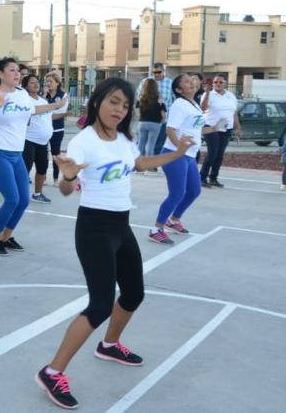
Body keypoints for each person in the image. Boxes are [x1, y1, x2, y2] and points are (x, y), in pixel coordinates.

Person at [36, 78, 194, 409]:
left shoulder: (123, 138)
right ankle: (52, 371)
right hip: (94, 228)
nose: (119, 110)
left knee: (134, 293)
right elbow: (66, 190)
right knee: (100, 304)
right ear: (97, 102)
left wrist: (178, 153)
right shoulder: (83, 142)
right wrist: (66, 175)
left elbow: (140, 164)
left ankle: (108, 345)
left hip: (121, 226)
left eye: (125, 105)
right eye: (114, 102)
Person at [0, 59, 67, 256]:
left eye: (18, 71)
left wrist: (55, 105)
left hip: (17, 153)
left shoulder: (23, 94)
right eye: (12, 70)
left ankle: (6, 236)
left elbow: (33, 110)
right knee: (12, 199)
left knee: (24, 200)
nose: (17, 74)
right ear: (0, 74)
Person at [148, 74, 213, 245]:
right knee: (177, 194)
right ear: (178, 90)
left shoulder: (194, 105)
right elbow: (170, 130)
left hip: (189, 155)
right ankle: (156, 229)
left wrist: (214, 129)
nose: (191, 82)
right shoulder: (179, 105)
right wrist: (179, 148)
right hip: (175, 154)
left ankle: (174, 219)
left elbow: (195, 130)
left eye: (191, 80)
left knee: (194, 191)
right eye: (186, 81)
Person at [199, 74, 241, 188]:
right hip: (212, 127)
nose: (218, 84)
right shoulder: (208, 94)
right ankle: (202, 177)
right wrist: (207, 93)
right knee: (212, 153)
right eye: (215, 82)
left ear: (225, 83)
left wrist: (238, 127)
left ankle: (213, 178)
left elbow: (234, 112)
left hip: (226, 127)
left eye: (220, 82)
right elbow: (202, 108)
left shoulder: (231, 96)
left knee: (220, 154)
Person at [22, 74, 54, 203]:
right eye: (32, 82)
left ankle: (38, 193)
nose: (36, 84)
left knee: (42, 168)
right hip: (29, 140)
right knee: (25, 168)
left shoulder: (43, 101)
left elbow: (48, 117)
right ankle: (20, 193)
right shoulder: (25, 100)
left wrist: (64, 113)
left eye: (37, 82)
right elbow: (31, 112)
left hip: (43, 142)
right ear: (25, 86)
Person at [136, 62, 174, 155]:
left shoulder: (170, 83)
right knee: (145, 144)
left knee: (158, 144)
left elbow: (174, 99)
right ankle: (143, 165)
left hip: (163, 120)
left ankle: (152, 165)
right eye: (154, 72)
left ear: (163, 71)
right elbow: (138, 97)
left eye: (159, 72)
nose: (156, 74)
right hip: (148, 119)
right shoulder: (146, 81)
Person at [44, 71, 68, 186]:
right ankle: (42, 177)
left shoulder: (63, 95)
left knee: (55, 154)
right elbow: (38, 108)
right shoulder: (43, 95)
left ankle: (55, 179)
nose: (48, 84)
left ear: (57, 83)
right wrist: (43, 96)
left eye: (51, 81)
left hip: (57, 129)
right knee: (42, 154)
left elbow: (61, 112)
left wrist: (46, 112)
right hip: (43, 130)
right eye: (47, 81)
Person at [135, 78, 166, 158]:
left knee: (140, 144)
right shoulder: (160, 100)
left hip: (142, 123)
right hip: (155, 124)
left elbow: (137, 113)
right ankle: (149, 165)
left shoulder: (140, 99)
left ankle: (139, 164)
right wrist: (160, 123)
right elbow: (163, 116)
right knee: (150, 145)